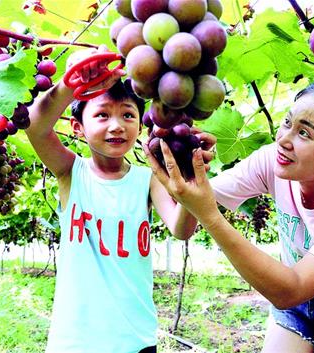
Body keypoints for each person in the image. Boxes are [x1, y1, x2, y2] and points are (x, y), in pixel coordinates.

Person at [145, 83, 314, 353]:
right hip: (295, 304)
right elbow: (182, 227)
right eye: (287, 122)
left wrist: (211, 217)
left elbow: (289, 290)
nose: (283, 139)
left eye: (304, 133)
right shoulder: (273, 159)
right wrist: (190, 172)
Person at [25, 47, 201, 353]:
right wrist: (72, 84)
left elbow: (181, 229)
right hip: (75, 341)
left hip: (136, 339)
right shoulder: (71, 173)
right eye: (102, 114)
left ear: (140, 125)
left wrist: (189, 182)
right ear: (77, 128)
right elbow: (36, 127)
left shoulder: (147, 179)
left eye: (128, 115)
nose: (117, 125)